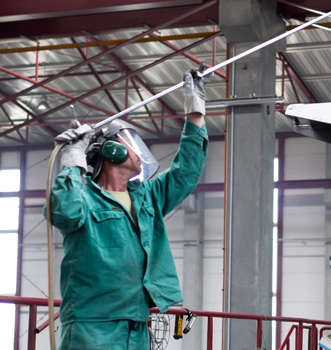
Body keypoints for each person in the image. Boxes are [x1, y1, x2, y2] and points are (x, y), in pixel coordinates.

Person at [47, 65, 209, 349]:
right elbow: (63, 212)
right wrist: (73, 163)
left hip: (137, 324)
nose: (139, 151)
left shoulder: (147, 196)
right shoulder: (83, 197)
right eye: (131, 143)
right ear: (112, 150)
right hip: (92, 325)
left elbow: (185, 173)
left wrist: (195, 110)